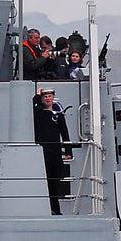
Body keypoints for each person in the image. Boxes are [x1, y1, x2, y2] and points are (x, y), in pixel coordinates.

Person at [33, 86, 73, 215]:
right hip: (43, 152)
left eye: (49, 96)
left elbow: (64, 133)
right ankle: (51, 209)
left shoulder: (58, 115)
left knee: (55, 182)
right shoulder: (39, 112)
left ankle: (55, 209)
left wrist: (68, 151)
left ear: (53, 97)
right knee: (47, 182)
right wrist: (37, 96)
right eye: (45, 97)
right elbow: (33, 107)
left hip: (55, 153)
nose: (47, 99)